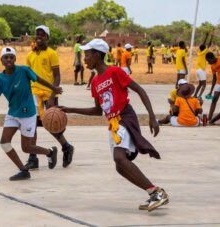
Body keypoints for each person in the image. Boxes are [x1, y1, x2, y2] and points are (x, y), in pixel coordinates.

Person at [61, 38, 169, 212]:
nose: (85, 59)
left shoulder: (115, 71)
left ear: (97, 55)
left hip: (125, 116)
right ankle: (152, 194)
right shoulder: (95, 82)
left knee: (119, 158)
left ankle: (156, 192)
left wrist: (151, 116)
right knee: (120, 166)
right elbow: (98, 111)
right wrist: (69, 109)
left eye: (87, 55)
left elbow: (140, 90)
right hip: (113, 123)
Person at [0, 47, 62, 181]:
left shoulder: (23, 70)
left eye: (11, 57)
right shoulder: (0, 78)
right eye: (6, 57)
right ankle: (23, 170)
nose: (9, 59)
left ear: (15, 59)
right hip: (13, 113)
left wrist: (54, 88)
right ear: (1, 61)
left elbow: (39, 79)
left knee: (26, 147)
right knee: (4, 143)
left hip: (28, 113)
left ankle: (50, 152)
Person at [25, 25, 74, 170]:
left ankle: (66, 147)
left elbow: (57, 75)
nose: (39, 36)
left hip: (48, 94)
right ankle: (33, 158)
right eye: (37, 34)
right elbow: (29, 76)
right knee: (31, 125)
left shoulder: (51, 53)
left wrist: (53, 95)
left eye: (42, 34)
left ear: (47, 37)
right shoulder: (30, 55)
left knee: (52, 123)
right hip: (33, 94)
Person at [193, 32, 213, 98]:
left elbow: (203, 45)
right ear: (204, 49)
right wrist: (211, 37)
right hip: (201, 70)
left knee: (200, 84)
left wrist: (206, 36)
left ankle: (195, 95)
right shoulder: (204, 52)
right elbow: (208, 45)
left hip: (197, 70)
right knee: (204, 85)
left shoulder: (199, 52)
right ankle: (199, 96)